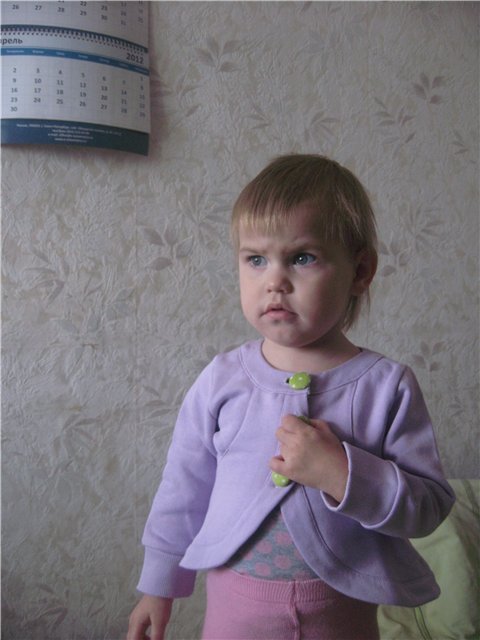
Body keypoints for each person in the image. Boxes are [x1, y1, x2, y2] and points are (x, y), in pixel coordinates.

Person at [127, 154, 455, 640]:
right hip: (235, 611)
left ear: (360, 270)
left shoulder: (387, 386)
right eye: (255, 259)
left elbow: (428, 507)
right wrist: (158, 586)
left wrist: (342, 474)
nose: (274, 281)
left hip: (342, 612)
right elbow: (182, 487)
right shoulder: (222, 379)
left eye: (302, 258)